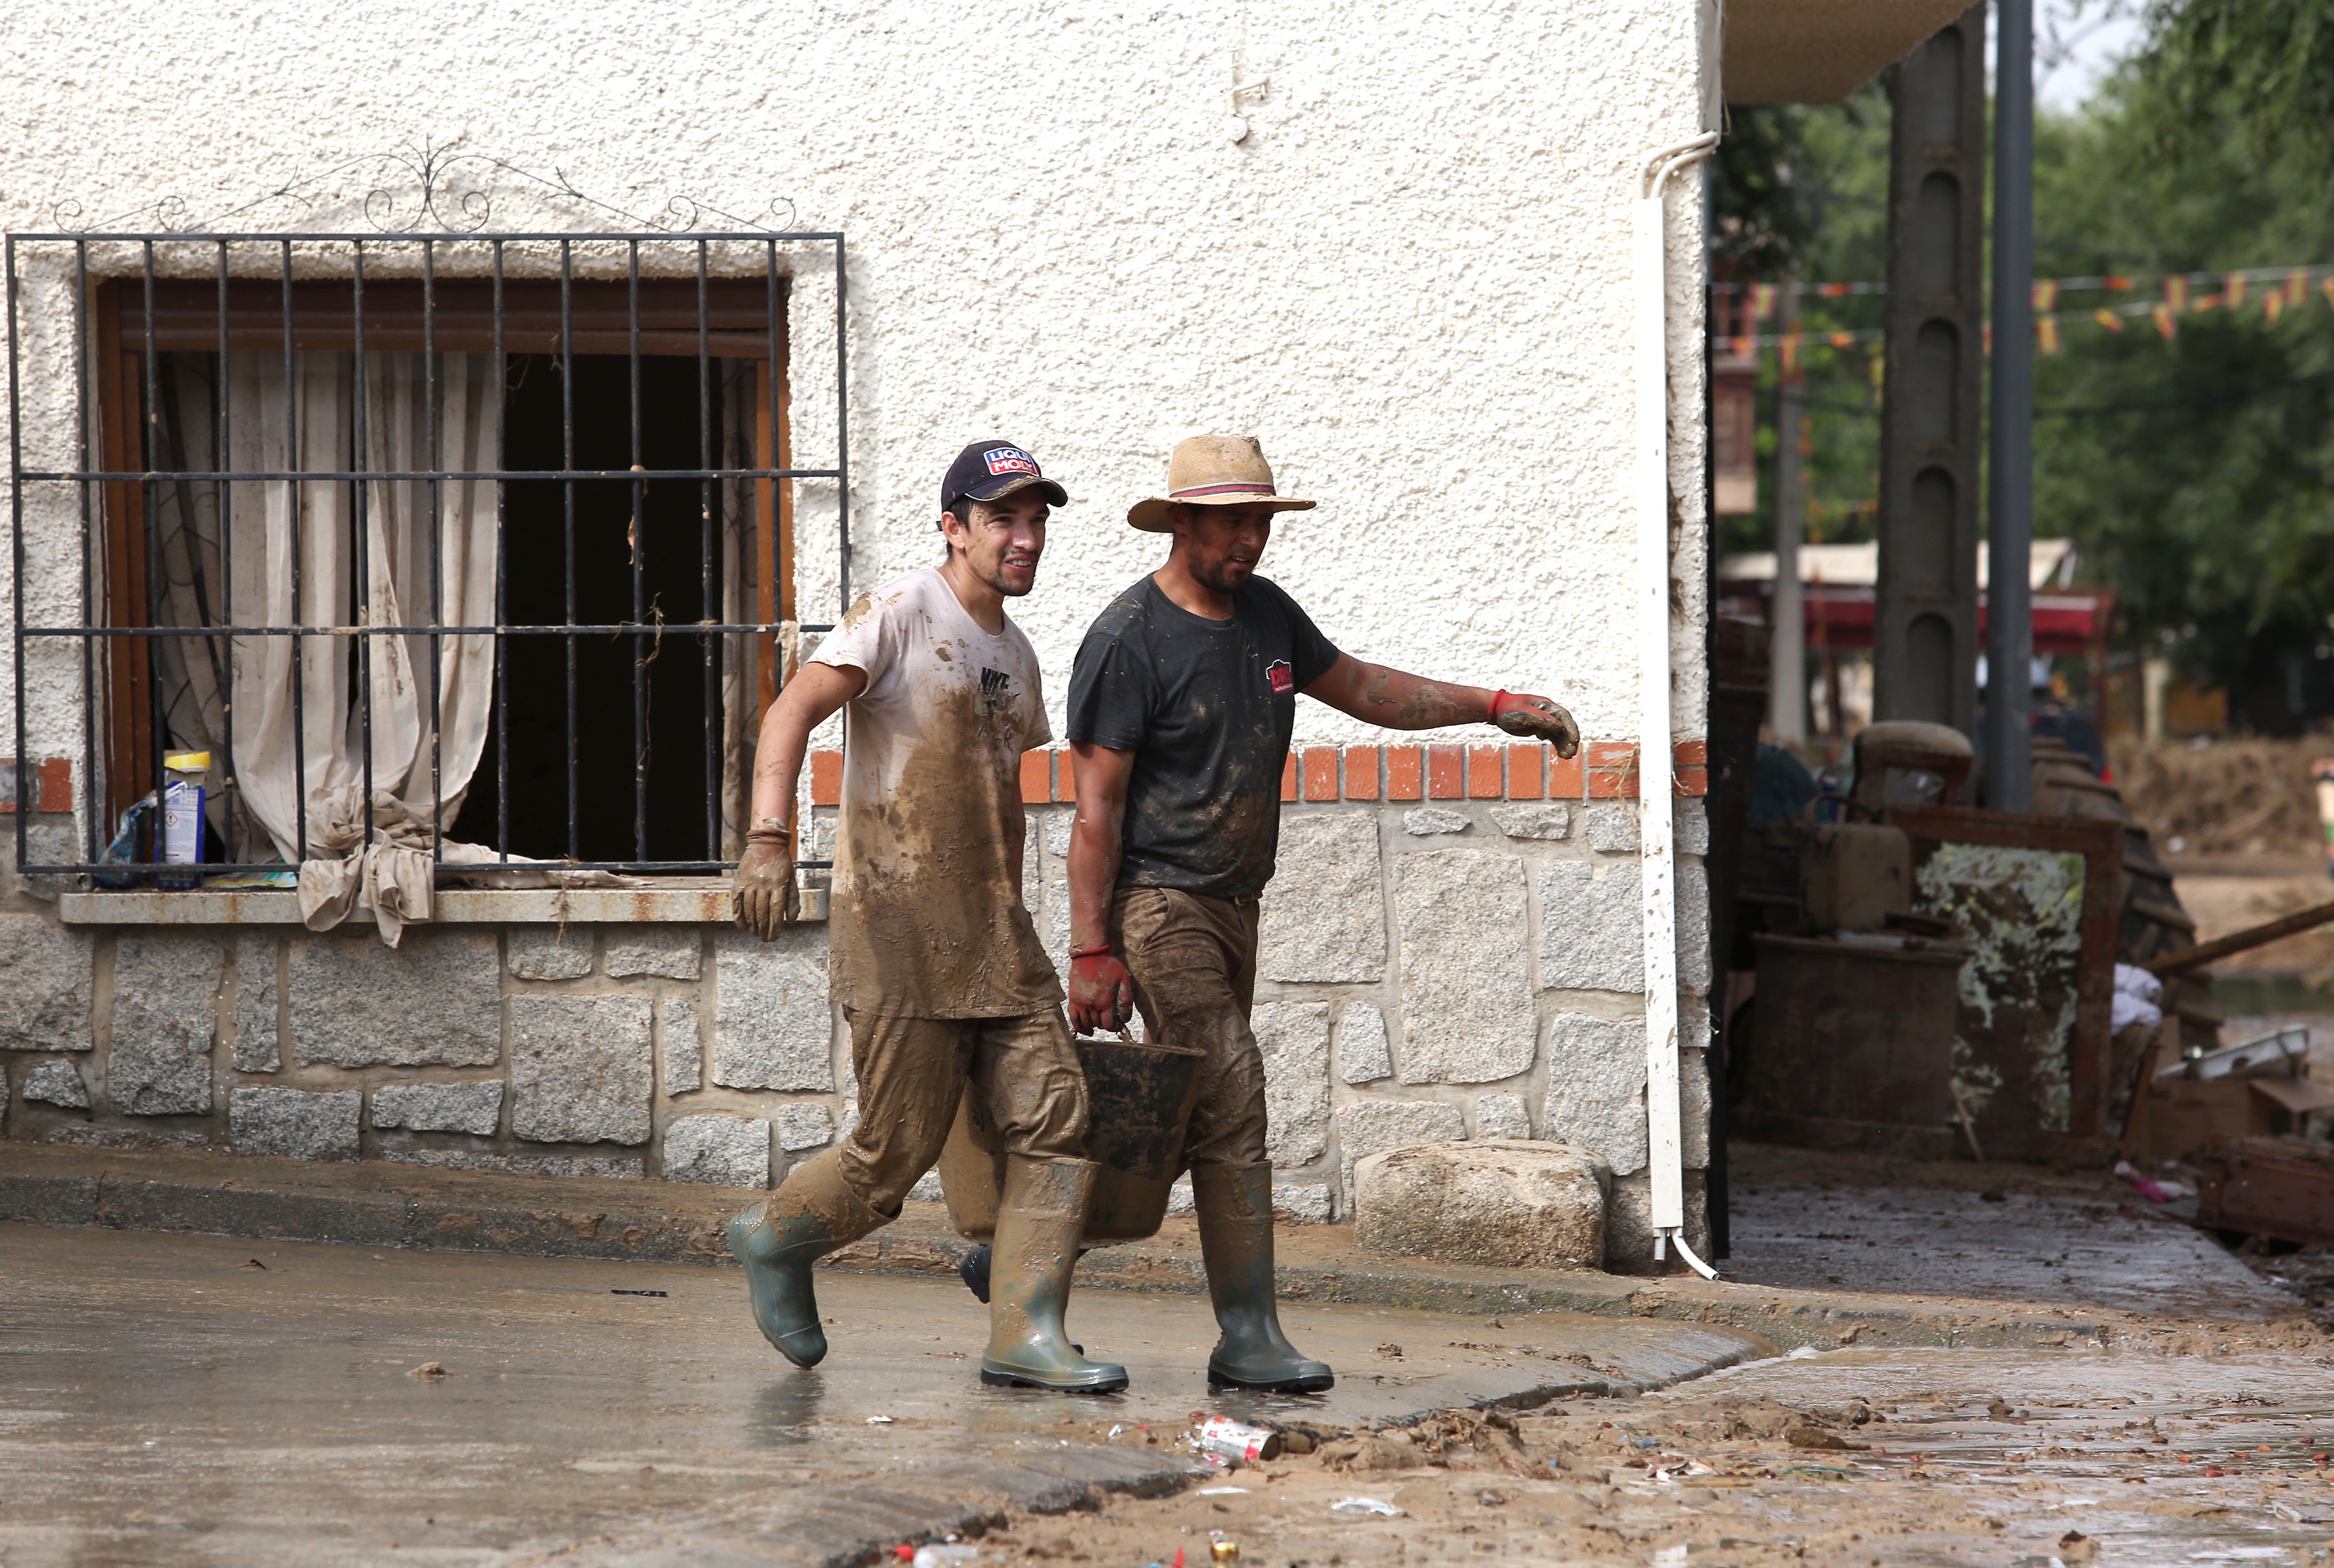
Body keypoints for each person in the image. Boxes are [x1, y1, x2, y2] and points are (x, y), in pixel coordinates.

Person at [1061, 434, 1580, 1394]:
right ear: (1180, 521)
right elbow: (1093, 810)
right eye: (1232, 522)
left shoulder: (1265, 616)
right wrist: (1091, 946)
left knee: (1186, 1116)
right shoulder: (1126, 640)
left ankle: (1023, 1256)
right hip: (1157, 903)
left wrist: (1491, 703)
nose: (1251, 540)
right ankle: (1248, 1336)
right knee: (1233, 1094)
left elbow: (1363, 689)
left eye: (1261, 521)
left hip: (1233, 901)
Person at [728, 439, 1127, 1394]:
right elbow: (790, 713)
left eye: (1036, 521)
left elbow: (1001, 804)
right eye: (1002, 519)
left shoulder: (1016, 653)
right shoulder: (902, 613)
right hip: (898, 929)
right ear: (953, 528)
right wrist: (769, 837)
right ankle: (775, 1238)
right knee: (893, 1153)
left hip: (996, 937)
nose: (1024, 538)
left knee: (1057, 1118)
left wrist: (1041, 927)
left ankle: (1024, 1333)